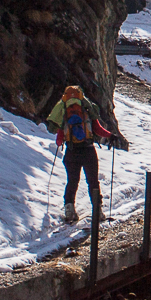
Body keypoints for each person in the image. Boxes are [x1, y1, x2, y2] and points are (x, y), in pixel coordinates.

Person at [47, 85, 116, 223]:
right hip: (88, 150)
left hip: (71, 152)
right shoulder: (87, 110)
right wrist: (111, 135)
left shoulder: (65, 113)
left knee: (72, 181)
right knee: (92, 181)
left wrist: (64, 140)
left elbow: (59, 139)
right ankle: (97, 210)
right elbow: (98, 129)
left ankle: (69, 210)